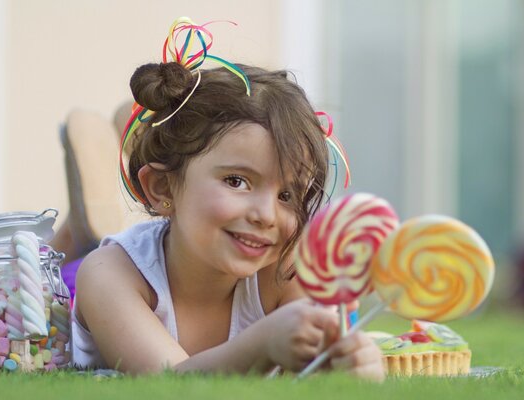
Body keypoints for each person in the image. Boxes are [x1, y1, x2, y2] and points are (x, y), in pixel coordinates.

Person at [71, 46, 384, 378]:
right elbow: (169, 384)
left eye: (287, 194)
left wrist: (354, 365)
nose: (266, 215)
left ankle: (125, 151)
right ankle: (78, 225)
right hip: (77, 280)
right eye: (237, 181)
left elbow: (313, 374)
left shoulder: (283, 273)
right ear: (162, 187)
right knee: (79, 254)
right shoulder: (109, 275)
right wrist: (263, 342)